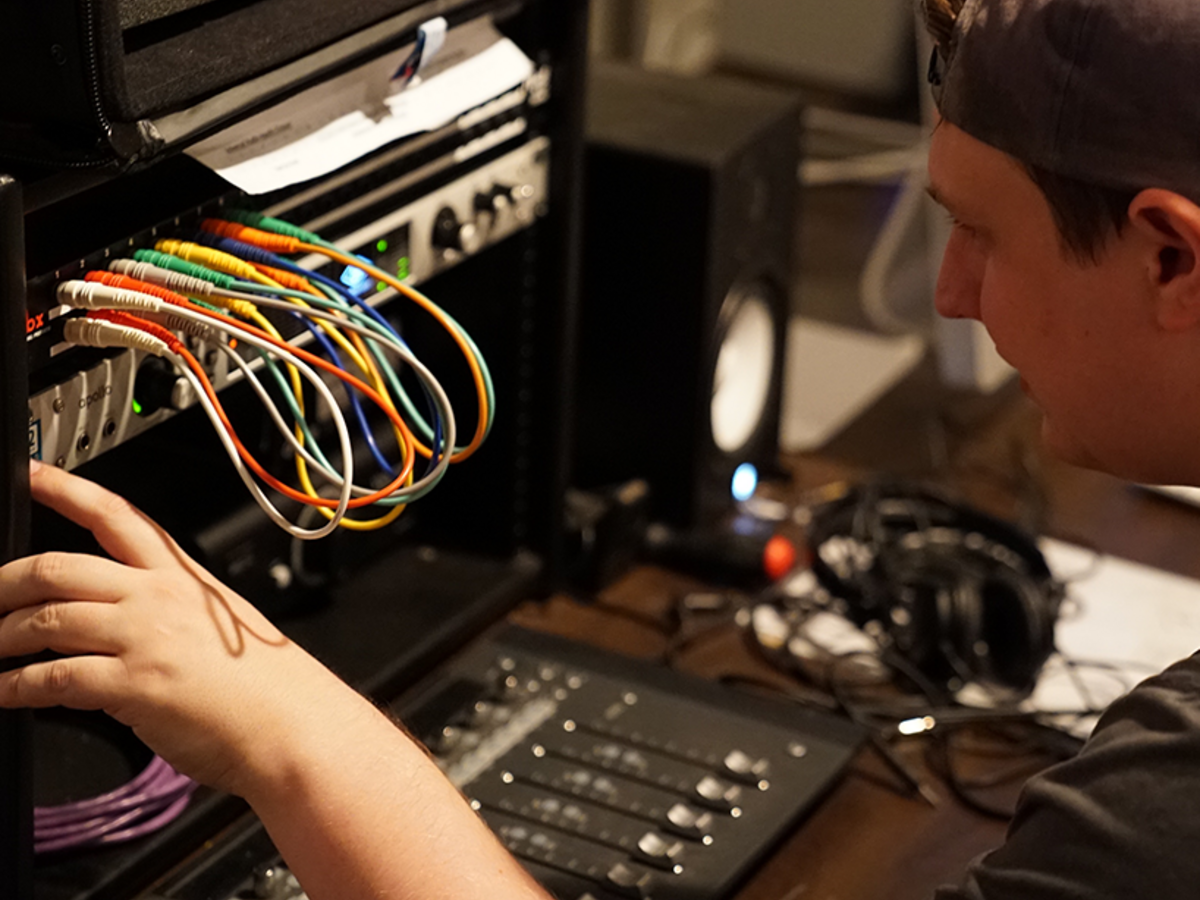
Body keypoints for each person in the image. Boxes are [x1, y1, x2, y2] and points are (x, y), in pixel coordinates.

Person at [3, 0, 1200, 897]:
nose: (951, 294)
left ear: (1172, 257)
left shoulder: (1164, 807)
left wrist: (282, 721)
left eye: (979, 231)